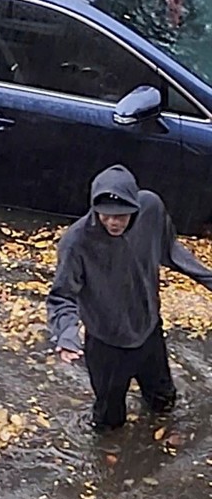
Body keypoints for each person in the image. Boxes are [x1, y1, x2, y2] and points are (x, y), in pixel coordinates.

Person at [47, 165, 212, 430]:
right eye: (106, 215)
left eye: (122, 216)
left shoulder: (151, 209)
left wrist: (208, 279)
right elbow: (62, 296)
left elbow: (170, 250)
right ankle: (110, 461)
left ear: (135, 207)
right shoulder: (76, 242)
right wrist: (66, 334)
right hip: (107, 344)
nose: (113, 222)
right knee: (109, 421)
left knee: (164, 402)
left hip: (148, 331)